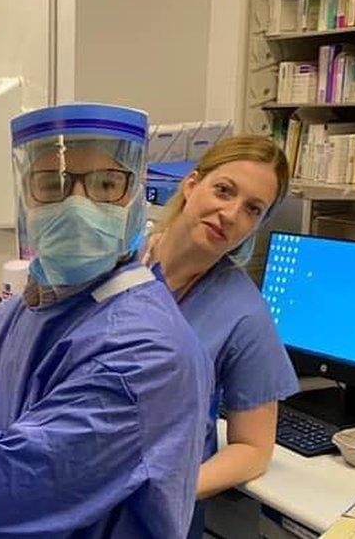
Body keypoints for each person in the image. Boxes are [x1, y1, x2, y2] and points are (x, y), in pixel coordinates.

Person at [0, 103, 213, 538]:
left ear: (135, 196)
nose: (76, 205)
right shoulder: (11, 315)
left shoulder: (147, 352)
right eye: (52, 183)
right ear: (25, 196)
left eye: (106, 185)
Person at [139, 135, 299, 538]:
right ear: (192, 184)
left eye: (252, 209)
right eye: (224, 190)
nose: (230, 214)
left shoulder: (242, 313)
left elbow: (253, 449)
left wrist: (167, 489)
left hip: (153, 514)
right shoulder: (118, 259)